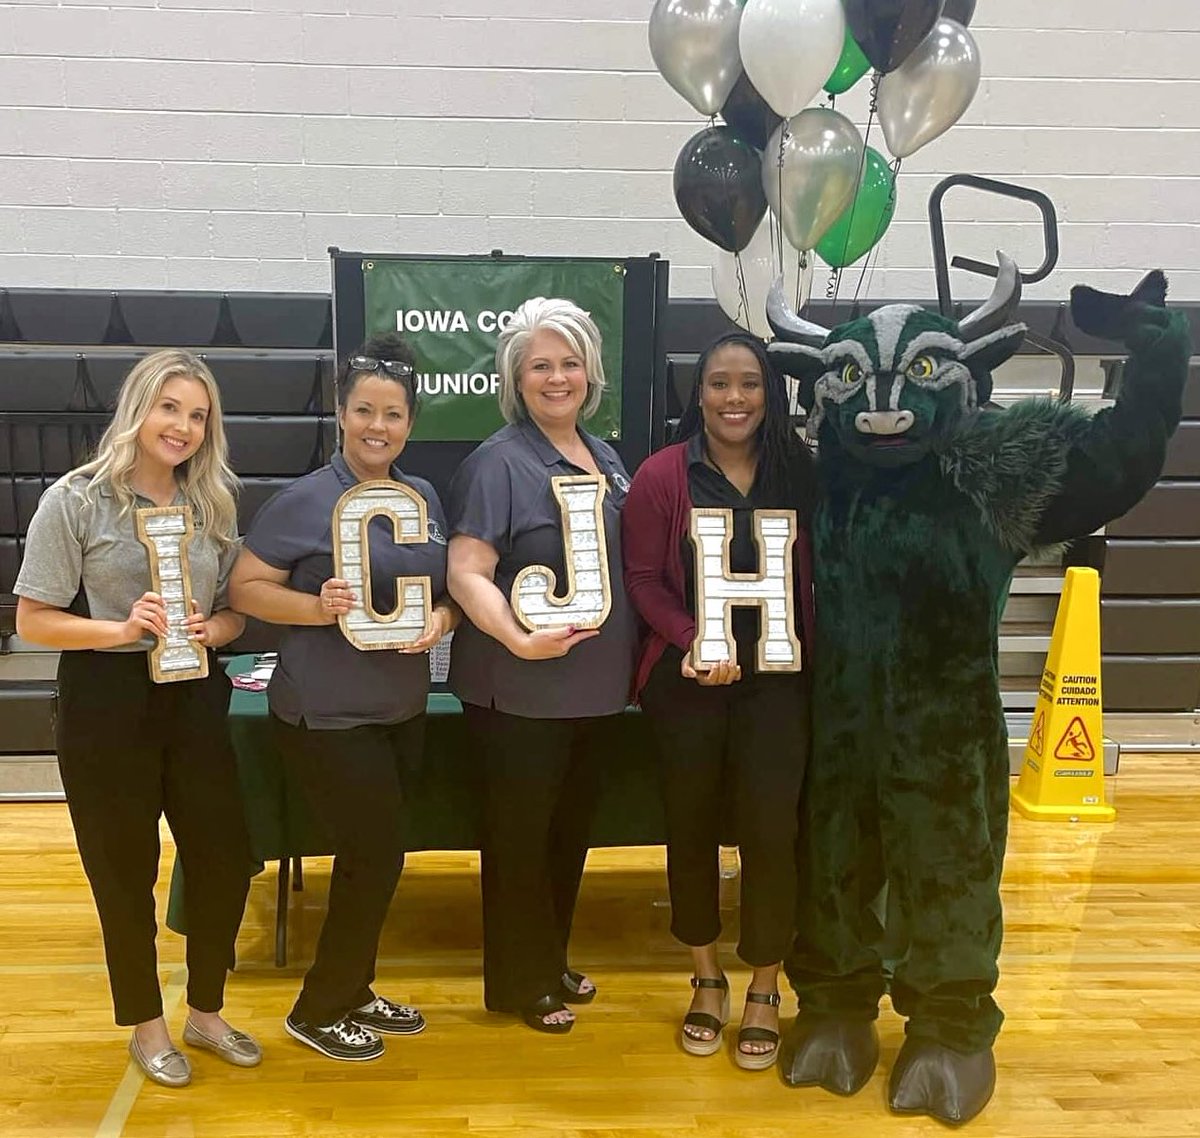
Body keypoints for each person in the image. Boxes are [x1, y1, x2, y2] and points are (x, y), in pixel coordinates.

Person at [14, 350, 258, 1088]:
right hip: (104, 702)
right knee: (124, 874)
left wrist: (216, 629)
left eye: (197, 415)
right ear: (138, 409)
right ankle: (146, 1026)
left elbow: (235, 614)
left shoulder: (213, 502)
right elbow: (33, 620)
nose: (182, 426)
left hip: (193, 699)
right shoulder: (77, 499)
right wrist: (120, 628)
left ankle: (206, 1011)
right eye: (170, 408)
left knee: (224, 856)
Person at [228, 333, 458, 1062]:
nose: (377, 427)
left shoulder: (421, 496)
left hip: (401, 708)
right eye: (364, 410)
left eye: (392, 414)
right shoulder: (304, 500)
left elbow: (448, 590)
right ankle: (319, 1005)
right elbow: (246, 590)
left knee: (378, 859)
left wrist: (442, 621)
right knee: (374, 856)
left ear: (410, 424)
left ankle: (356, 988)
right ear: (341, 413)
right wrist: (316, 606)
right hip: (326, 715)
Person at [621, 331, 816, 1069]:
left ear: (771, 393)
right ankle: (705, 976)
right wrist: (691, 639)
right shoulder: (662, 476)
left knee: (773, 832)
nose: (734, 399)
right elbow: (642, 578)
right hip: (689, 683)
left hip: (778, 684)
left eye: (750, 384)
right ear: (696, 395)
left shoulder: (801, 474)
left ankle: (765, 985)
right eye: (718, 385)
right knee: (691, 826)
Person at [446, 297, 638, 1034]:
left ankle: (549, 959)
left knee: (567, 838)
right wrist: (516, 639)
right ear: (515, 380)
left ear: (591, 372)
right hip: (520, 689)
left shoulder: (607, 456)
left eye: (568, 363)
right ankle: (520, 985)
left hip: (593, 691)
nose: (556, 378)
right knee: (520, 844)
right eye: (539, 367)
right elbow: (468, 571)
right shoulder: (498, 462)